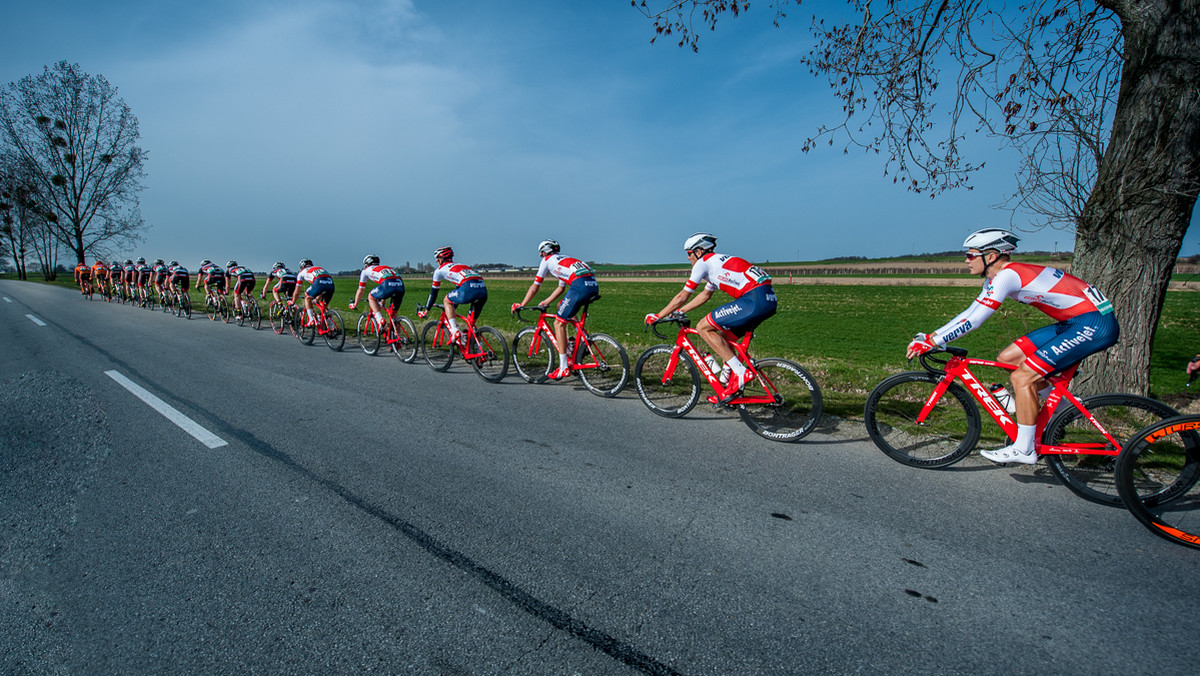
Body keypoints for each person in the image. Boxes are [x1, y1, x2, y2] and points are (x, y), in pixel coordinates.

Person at [906, 228, 1119, 464]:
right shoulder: (997, 277)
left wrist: (934, 342)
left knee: (1022, 379)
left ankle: (1025, 449)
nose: (967, 260)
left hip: (1093, 324)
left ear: (992, 255)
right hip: (1074, 322)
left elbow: (975, 321)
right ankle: (1060, 410)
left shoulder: (1008, 275)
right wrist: (931, 336)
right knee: (1008, 358)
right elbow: (971, 312)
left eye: (971, 255)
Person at [646, 233, 778, 403]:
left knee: (703, 327)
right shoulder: (717, 263)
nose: (688, 258)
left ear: (699, 251)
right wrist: (680, 311)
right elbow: (705, 295)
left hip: (753, 299)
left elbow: (682, 296)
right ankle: (728, 387)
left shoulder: (703, 263)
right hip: (767, 300)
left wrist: (658, 316)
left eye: (689, 253)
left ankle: (740, 373)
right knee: (722, 339)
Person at [512, 239, 599, 380]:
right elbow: (561, 288)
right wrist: (546, 301)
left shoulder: (547, 260)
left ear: (544, 252)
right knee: (561, 306)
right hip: (592, 285)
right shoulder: (564, 260)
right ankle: (581, 337)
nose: (541, 257)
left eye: (541, 254)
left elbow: (535, 287)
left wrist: (522, 304)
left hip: (580, 286)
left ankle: (563, 367)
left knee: (558, 323)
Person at [419, 246, 487, 346]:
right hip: (482, 290)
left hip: (468, 288)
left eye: (437, 258)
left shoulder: (439, 270)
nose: (437, 260)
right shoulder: (461, 265)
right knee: (471, 325)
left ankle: (455, 331)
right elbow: (457, 291)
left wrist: (426, 310)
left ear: (442, 258)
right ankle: (479, 354)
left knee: (446, 300)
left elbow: (433, 293)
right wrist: (452, 308)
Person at [349, 254, 405, 329]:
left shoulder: (365, 271)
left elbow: (361, 289)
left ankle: (380, 320)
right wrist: (382, 301)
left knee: (371, 297)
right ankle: (397, 338)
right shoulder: (385, 267)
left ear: (367, 264)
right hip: (400, 285)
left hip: (387, 284)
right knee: (394, 316)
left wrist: (355, 304)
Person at [292, 258, 335, 325]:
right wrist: (317, 298)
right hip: (330, 283)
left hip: (319, 282)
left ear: (301, 267)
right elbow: (323, 286)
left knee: (307, 297)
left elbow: (297, 292)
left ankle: (311, 320)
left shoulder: (301, 273)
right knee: (324, 307)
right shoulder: (318, 268)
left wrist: (293, 303)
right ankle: (333, 327)